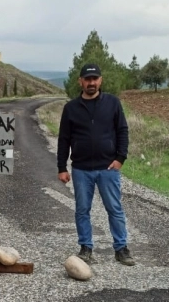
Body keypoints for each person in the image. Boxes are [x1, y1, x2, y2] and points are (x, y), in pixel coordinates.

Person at [57, 63, 135, 266]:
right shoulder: (71, 108)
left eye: (95, 79)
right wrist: (62, 167)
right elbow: (64, 139)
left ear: (100, 80)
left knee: (114, 209)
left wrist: (120, 158)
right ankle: (85, 248)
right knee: (82, 210)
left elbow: (122, 131)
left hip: (108, 168)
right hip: (81, 169)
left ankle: (121, 248)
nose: (91, 83)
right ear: (80, 81)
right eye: (87, 79)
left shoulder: (112, 103)